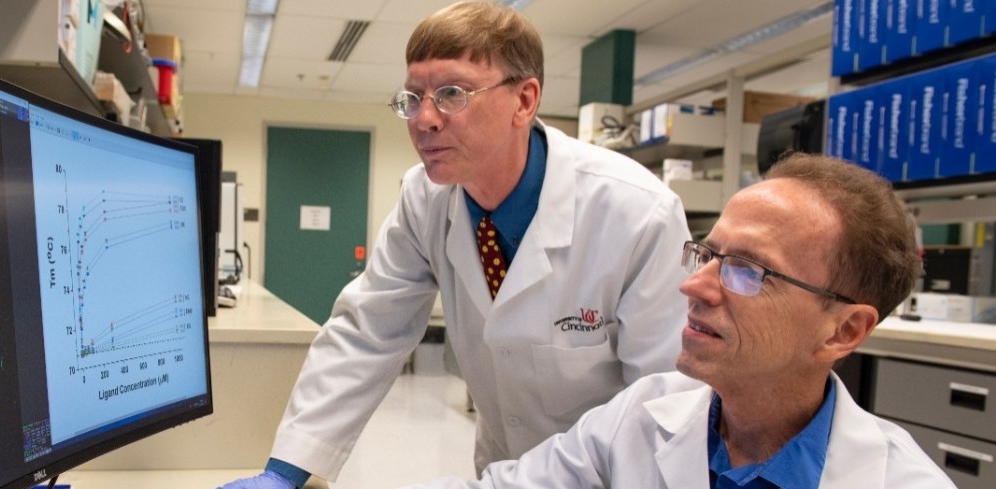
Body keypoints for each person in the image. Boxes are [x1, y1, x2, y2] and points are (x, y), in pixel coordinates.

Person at [219, 1, 691, 487]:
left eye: (451, 94)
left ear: (524, 101)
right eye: (412, 98)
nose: (424, 119)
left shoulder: (637, 214)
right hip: (500, 467)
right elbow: (367, 332)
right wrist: (286, 471)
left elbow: (662, 408)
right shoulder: (425, 197)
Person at [404, 153, 957, 488]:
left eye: (748, 271)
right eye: (707, 254)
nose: (694, 285)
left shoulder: (900, 480)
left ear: (844, 330)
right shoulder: (641, 417)